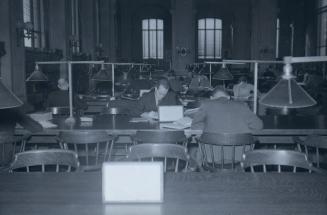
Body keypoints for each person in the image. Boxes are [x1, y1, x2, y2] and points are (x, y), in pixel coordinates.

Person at [191, 87, 263, 166]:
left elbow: (194, 126)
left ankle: (194, 170)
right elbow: (258, 126)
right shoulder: (242, 105)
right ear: (228, 97)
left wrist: (208, 126)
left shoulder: (206, 104)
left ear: (211, 98)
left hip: (212, 158)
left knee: (195, 150)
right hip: (240, 158)